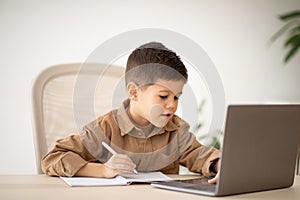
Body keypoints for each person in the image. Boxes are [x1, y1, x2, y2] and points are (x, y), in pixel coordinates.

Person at [41, 42, 220, 184]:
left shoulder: (176, 130)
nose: (172, 105)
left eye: (176, 97)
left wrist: (221, 166)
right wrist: (102, 170)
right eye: (164, 96)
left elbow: (200, 155)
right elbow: (52, 158)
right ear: (134, 93)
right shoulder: (105, 128)